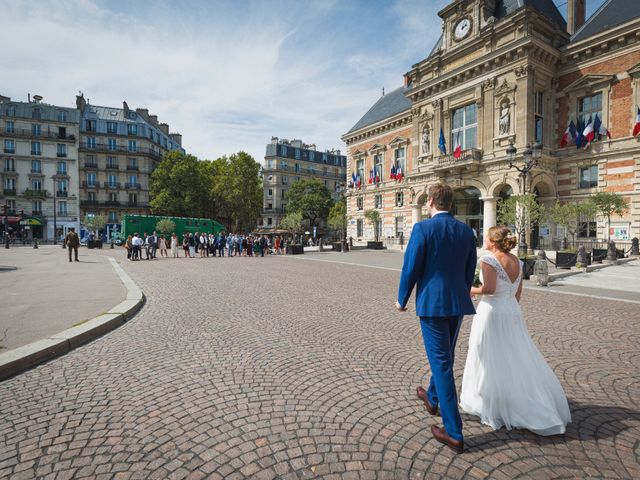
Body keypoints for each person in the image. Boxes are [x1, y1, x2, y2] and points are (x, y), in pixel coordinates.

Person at [461, 226, 571, 435]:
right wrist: (508, 306)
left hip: (492, 312)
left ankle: (491, 401)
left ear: (493, 241)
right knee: (513, 354)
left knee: (487, 353)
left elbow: (489, 289)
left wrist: (469, 289)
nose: (483, 240)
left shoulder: (489, 259)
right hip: (512, 310)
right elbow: (517, 293)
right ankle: (513, 396)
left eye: (486, 238)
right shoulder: (517, 262)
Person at [396, 183, 477, 454]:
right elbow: (470, 270)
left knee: (442, 362)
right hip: (457, 302)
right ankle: (431, 398)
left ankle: (453, 432)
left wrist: (402, 298)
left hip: (432, 303)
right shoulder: (466, 231)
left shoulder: (422, 229)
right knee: (446, 356)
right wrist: (461, 293)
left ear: (430, 201)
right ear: (451, 204)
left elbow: (411, 266)